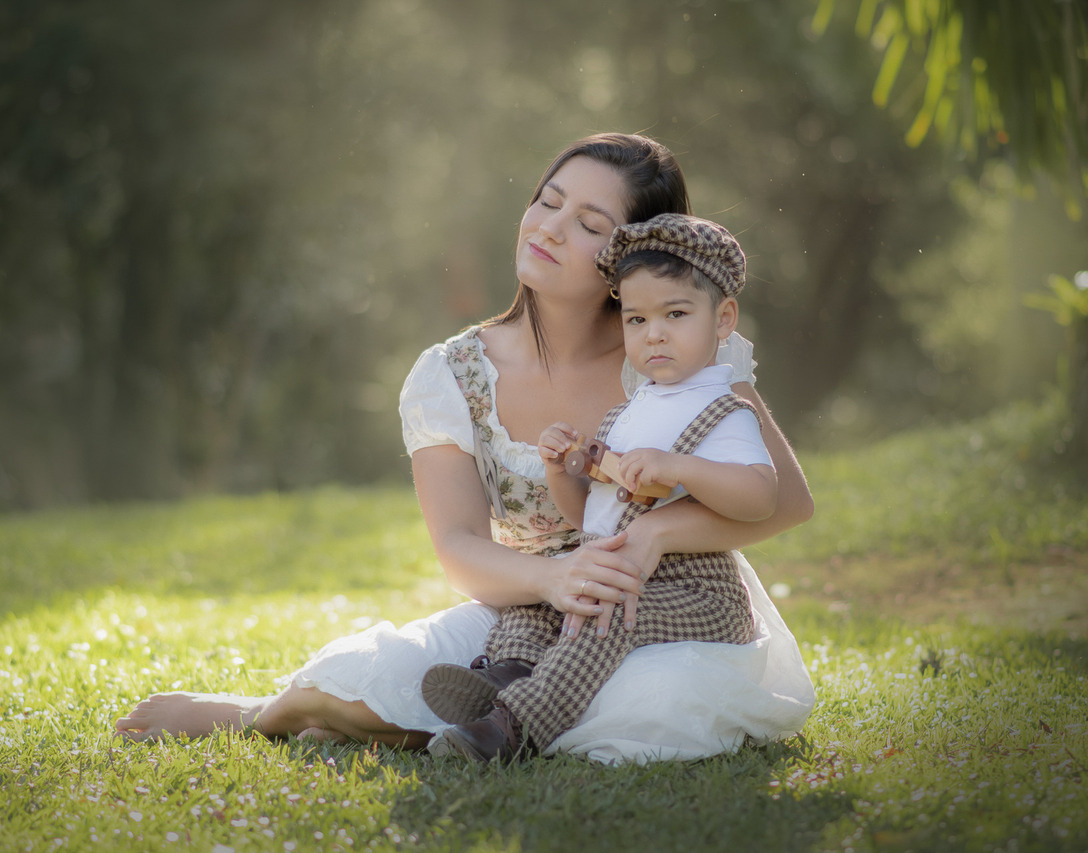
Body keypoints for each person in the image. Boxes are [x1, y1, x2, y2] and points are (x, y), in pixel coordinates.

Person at [114, 133, 816, 764]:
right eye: (548, 201)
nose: (550, 227)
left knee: (655, 701)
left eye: (589, 224)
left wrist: (659, 530)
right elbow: (456, 546)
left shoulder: (673, 347)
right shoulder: (452, 373)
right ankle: (264, 712)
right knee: (380, 672)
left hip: (662, 610)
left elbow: (785, 503)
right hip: (520, 605)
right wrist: (554, 579)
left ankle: (457, 724)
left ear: (629, 256)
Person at [423, 213, 781, 762]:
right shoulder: (626, 414)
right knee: (534, 607)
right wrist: (562, 469)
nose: (654, 333)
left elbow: (761, 495)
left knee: (603, 610)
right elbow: (583, 519)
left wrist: (680, 467)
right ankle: (506, 676)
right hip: (613, 566)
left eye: (676, 314)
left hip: (698, 590)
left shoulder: (723, 409)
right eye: (636, 319)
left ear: (723, 318)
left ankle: (511, 728)